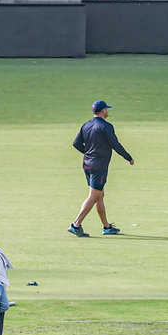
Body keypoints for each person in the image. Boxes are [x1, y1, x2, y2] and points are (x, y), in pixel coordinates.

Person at [69, 100, 133, 238]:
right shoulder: (106, 126)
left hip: (87, 164)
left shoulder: (86, 125)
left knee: (99, 195)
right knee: (94, 196)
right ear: (103, 111)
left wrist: (88, 153)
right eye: (107, 109)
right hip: (99, 166)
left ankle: (106, 226)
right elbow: (115, 144)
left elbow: (76, 143)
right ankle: (76, 224)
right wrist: (128, 157)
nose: (108, 111)